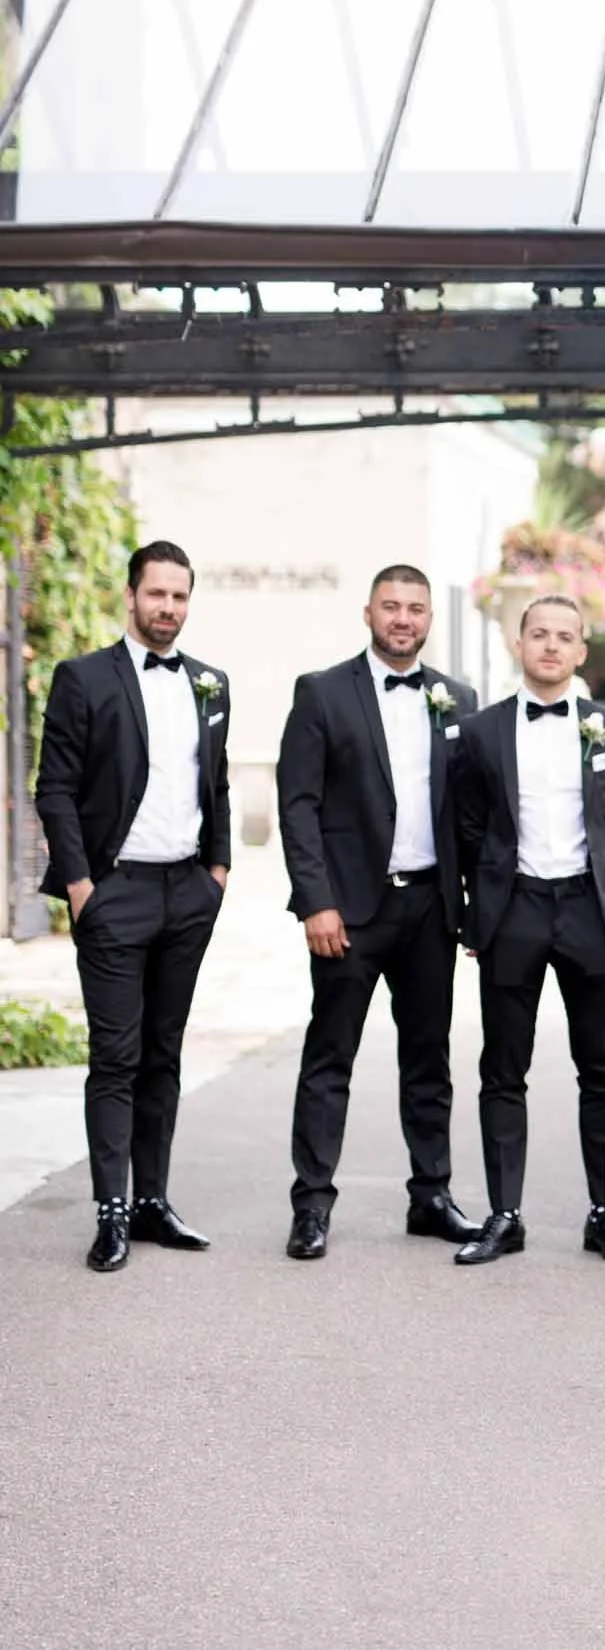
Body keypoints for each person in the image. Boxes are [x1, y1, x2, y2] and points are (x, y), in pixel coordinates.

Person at [276, 564, 482, 1262]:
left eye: (416, 609)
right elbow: (297, 804)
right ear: (368, 613)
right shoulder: (322, 693)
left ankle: (431, 1196)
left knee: (429, 1058)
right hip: (350, 912)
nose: (403, 619)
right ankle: (311, 1205)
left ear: (429, 619)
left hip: (430, 907)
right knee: (330, 1056)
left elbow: (472, 813)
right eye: (391, 606)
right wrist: (316, 901)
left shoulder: (458, 698)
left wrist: (474, 910)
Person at [34, 540, 230, 1272]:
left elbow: (218, 785)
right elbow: (54, 788)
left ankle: (153, 1200)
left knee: (164, 1054)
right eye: (157, 595)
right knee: (115, 1057)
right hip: (114, 892)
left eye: (180, 597)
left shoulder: (212, 684)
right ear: (131, 595)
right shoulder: (84, 678)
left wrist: (218, 870)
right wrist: (82, 888)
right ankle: (110, 1211)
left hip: (187, 891)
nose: (168, 609)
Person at [453, 592, 605, 1266]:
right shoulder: (480, 733)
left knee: (601, 1066)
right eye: (539, 634)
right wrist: (479, 910)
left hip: (590, 912)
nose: (551, 646)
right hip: (514, 913)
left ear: (580, 650)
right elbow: (468, 826)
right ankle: (504, 1214)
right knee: (503, 1067)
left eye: (565, 636)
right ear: (519, 643)